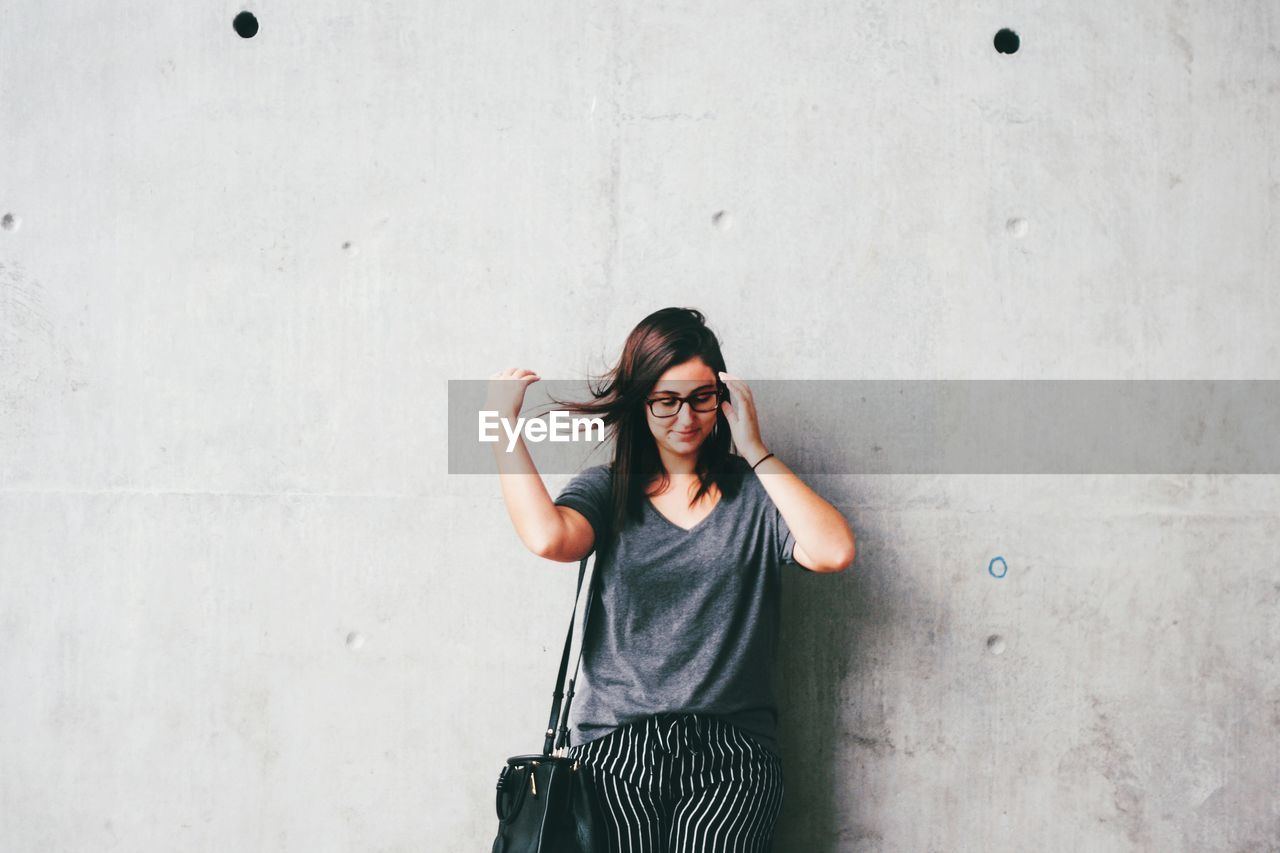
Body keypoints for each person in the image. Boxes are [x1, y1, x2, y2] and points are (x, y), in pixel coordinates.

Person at [487, 307, 855, 853]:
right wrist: (501, 430)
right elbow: (549, 539)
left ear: (722, 399)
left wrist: (755, 449)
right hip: (615, 752)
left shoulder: (757, 495)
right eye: (666, 401)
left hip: (733, 757)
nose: (686, 417)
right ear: (641, 404)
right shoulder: (607, 489)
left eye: (701, 398)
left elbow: (833, 551)